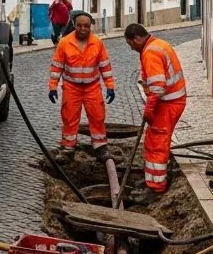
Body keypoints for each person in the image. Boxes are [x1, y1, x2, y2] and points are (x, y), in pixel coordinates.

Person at [125, 23, 187, 199]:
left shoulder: (151, 52)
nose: (132, 49)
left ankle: (156, 187)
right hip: (171, 101)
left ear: (136, 39)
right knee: (154, 140)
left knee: (156, 144)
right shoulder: (159, 44)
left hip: (167, 104)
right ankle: (151, 180)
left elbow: (158, 88)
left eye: (131, 45)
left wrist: (149, 110)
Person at [48, 12, 116, 153]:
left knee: (97, 116)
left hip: (92, 87)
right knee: (69, 117)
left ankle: (100, 145)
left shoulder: (97, 43)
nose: (83, 29)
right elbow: (57, 66)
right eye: (79, 25)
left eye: (86, 26)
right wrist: (52, 87)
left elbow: (105, 66)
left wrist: (110, 86)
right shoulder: (65, 43)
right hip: (71, 87)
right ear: (74, 25)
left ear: (90, 26)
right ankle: (68, 145)